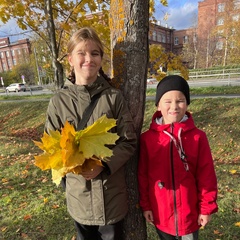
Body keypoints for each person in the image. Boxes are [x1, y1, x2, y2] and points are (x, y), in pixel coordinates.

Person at [44, 27, 137, 240]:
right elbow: (52, 147)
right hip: (79, 198)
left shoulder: (113, 98)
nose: (89, 59)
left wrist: (103, 164)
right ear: (70, 59)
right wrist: (75, 161)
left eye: (95, 53)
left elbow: (129, 141)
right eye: (82, 53)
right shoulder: (58, 102)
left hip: (111, 198)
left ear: (101, 59)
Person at [138, 75, 218, 240]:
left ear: (187, 103)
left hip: (189, 215)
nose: (174, 106)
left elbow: (206, 175)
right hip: (161, 214)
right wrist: (146, 205)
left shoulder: (198, 137)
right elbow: (143, 175)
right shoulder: (147, 139)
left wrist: (206, 208)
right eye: (167, 101)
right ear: (158, 105)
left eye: (180, 100)